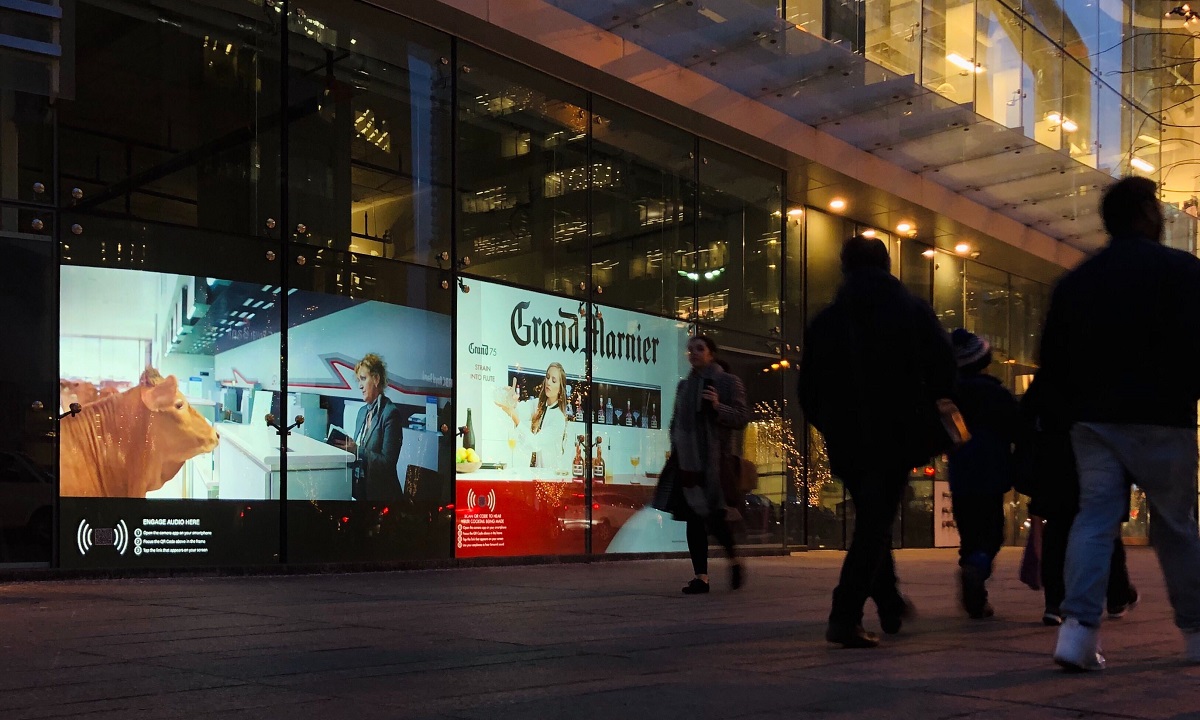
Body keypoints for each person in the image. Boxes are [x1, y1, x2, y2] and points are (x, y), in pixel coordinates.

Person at [1038, 176, 1200, 670]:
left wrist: (1066, 418)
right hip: (1164, 416)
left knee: (1093, 521)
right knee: (1176, 527)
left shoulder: (1077, 281)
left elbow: (1052, 361)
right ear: (1146, 215)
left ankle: (1077, 632)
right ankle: (1195, 632)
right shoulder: (1184, 272)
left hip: (1094, 422)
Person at [799, 235, 957, 648]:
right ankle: (845, 614)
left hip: (847, 439)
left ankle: (888, 601)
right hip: (896, 434)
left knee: (873, 516)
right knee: (875, 522)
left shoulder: (826, 320)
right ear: (887, 266)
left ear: (844, 267)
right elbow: (944, 366)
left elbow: (808, 391)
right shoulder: (910, 310)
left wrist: (832, 424)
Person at [1019, 378, 1139, 628]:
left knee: (1058, 533)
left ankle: (1055, 602)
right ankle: (1117, 595)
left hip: (1055, 465)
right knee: (1104, 530)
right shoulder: (1106, 377)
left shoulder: (1050, 379)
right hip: (1097, 463)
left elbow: (1025, 418)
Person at [655, 335, 750, 594]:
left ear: (712, 353)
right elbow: (676, 421)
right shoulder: (684, 387)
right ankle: (701, 577)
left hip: (715, 462)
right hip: (687, 460)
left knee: (716, 517)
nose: (693, 353)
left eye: (700, 349)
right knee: (693, 518)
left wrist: (719, 406)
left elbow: (742, 417)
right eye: (690, 350)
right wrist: (677, 447)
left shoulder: (729, 382)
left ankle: (734, 561)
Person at [946, 329, 1019, 620]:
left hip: (961, 473)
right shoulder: (995, 393)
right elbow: (1017, 426)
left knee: (969, 533)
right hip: (991, 471)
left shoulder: (951, 395)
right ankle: (976, 569)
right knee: (992, 533)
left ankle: (972, 577)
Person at [334, 353, 403, 501]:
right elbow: (360, 452)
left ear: (376, 379)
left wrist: (356, 450)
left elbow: (387, 464)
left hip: (382, 497)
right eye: (359, 380)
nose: (360, 385)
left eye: (363, 379)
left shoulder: (391, 413)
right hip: (361, 493)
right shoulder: (362, 412)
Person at [495, 362, 571, 473]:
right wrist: (510, 399)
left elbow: (535, 443)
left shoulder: (558, 419)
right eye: (547, 377)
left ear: (560, 388)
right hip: (536, 473)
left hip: (551, 476)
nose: (548, 382)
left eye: (553, 380)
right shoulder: (537, 405)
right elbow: (518, 410)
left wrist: (516, 418)